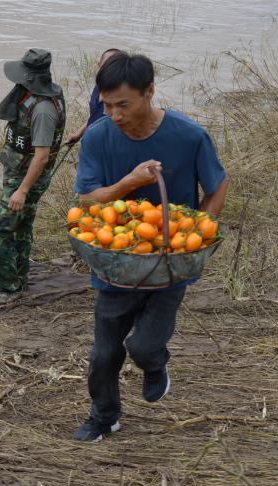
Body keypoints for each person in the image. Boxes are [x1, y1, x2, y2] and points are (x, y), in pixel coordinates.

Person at [72, 52, 228, 442]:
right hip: (116, 265)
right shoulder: (98, 136)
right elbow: (88, 201)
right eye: (106, 105)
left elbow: (217, 185)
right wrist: (128, 183)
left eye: (123, 104)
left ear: (150, 92)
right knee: (103, 355)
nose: (114, 114)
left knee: (143, 345)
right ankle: (104, 416)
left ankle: (155, 361)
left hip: (169, 267)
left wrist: (202, 229)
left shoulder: (188, 135)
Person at [0, 49, 67, 304]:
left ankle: (10, 289)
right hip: (19, 173)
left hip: (26, 179)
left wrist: (22, 191)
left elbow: (42, 156)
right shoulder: (36, 96)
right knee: (21, 227)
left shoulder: (43, 110)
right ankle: (19, 279)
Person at [65, 48, 122, 145]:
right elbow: (95, 115)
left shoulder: (122, 97)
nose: (109, 70)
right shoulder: (98, 86)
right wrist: (79, 134)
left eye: (114, 66)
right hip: (90, 144)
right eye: (106, 65)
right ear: (98, 65)